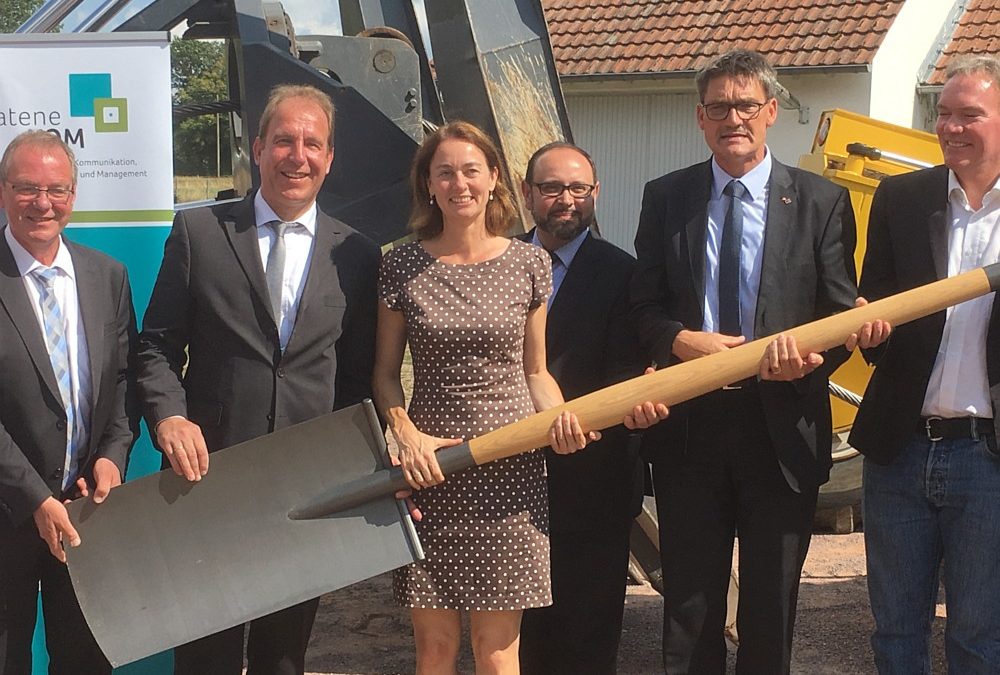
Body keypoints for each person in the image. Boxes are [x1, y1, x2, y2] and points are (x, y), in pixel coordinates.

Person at [373, 121, 664, 675]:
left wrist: (560, 421)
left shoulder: (527, 265)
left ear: (494, 180)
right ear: (428, 185)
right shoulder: (402, 265)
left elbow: (535, 371)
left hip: (511, 469)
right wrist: (405, 436)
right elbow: (385, 375)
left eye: (470, 171)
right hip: (430, 469)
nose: (459, 183)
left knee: (499, 649)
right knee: (433, 649)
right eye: (445, 172)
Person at [630, 49, 874, 674]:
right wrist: (683, 342)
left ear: (770, 111)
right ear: (700, 118)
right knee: (690, 604)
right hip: (690, 432)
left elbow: (838, 310)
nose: (731, 117)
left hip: (782, 431)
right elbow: (643, 308)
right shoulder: (666, 199)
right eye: (718, 108)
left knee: (771, 608)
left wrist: (809, 360)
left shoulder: (821, 201)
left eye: (744, 105)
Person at [136, 84, 379, 675]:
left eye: (312, 143)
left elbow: (358, 377)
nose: (298, 156)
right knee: (205, 652)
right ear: (258, 149)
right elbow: (155, 346)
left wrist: (347, 462)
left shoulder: (358, 254)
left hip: (305, 485)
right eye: (284, 141)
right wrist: (169, 415)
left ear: (329, 157)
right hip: (207, 477)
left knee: (283, 657)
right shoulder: (199, 232)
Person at [849, 54, 1000, 674]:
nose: (952, 128)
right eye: (944, 114)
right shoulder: (903, 198)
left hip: (986, 456)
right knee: (896, 633)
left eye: (971, 115)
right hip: (900, 449)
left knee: (979, 634)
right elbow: (877, 321)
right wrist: (871, 328)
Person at [0, 130, 138, 674]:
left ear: (74, 195)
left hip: (85, 511)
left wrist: (113, 454)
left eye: (56, 189)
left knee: (83, 660)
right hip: (8, 512)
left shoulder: (107, 276)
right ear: (3, 190)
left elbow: (123, 381)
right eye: (27, 187)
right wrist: (33, 495)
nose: (43, 203)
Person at [516, 142, 646, 675]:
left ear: (596, 194)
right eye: (551, 188)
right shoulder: (495, 264)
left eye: (578, 188)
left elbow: (628, 374)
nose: (565, 200)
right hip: (510, 480)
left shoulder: (626, 274)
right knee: (515, 641)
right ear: (528, 195)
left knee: (586, 641)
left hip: (595, 482)